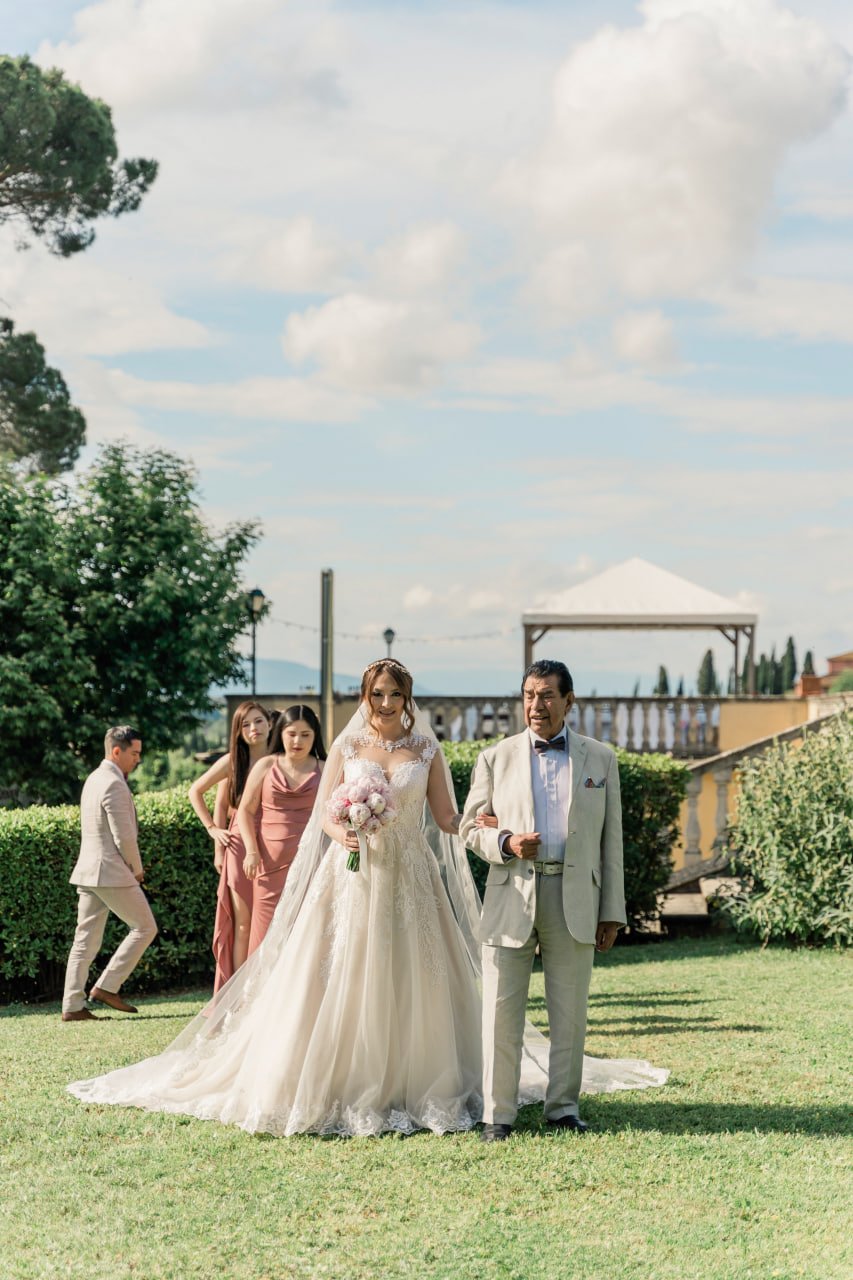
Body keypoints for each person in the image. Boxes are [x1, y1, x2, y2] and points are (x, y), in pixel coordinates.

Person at [68, 660, 666, 1134]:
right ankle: (343, 1081)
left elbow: (449, 818)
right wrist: (345, 826)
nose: (385, 704)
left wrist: (498, 830)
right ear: (364, 698)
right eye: (376, 694)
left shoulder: (427, 752)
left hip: (411, 878)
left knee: (419, 983)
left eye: (395, 696)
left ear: (408, 701)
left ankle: (424, 1083)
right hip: (352, 879)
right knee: (341, 978)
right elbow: (323, 819)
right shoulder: (348, 752)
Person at [460, 658, 633, 1141]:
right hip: (510, 895)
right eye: (530, 696)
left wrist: (612, 912)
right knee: (499, 1009)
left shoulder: (600, 759)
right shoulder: (495, 758)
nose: (537, 705)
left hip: (576, 899)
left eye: (548, 696)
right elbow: (468, 828)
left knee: (570, 1011)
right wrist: (507, 843)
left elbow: (610, 842)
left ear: (568, 700)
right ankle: (498, 1114)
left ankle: (563, 1108)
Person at [61, 726, 157, 1022]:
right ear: (117, 751)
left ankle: (72, 1006)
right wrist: (137, 870)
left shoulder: (93, 778)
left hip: (88, 872)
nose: (138, 760)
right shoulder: (114, 784)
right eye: (135, 753)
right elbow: (124, 837)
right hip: (110, 871)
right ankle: (107, 986)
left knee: (84, 941)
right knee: (145, 927)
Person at [188, 701, 274, 993]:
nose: (254, 729)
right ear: (238, 731)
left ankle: (269, 988)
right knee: (243, 923)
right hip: (239, 845)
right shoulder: (232, 762)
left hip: (275, 844)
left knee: (274, 920)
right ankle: (238, 994)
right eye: (246, 724)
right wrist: (214, 834)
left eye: (259, 721)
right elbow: (198, 792)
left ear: (270, 724)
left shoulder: (281, 759)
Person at [237, 705, 326, 955]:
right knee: (264, 936)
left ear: (315, 736)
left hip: (312, 864)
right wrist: (251, 851)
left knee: (304, 935)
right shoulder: (266, 766)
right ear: (281, 733)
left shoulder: (325, 768)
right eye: (291, 733)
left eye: (305, 734)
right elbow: (245, 811)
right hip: (267, 865)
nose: (297, 741)